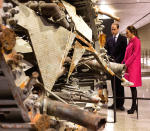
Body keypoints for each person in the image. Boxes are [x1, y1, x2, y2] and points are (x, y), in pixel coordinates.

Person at [105, 23, 127, 111]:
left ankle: (121, 104)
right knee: (114, 85)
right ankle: (115, 103)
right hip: (111, 65)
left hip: (119, 65)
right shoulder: (109, 39)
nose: (112, 31)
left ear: (118, 29)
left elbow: (124, 52)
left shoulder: (123, 39)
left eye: (114, 29)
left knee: (120, 86)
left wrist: (117, 61)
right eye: (111, 29)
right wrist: (110, 61)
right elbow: (107, 51)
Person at [122, 26, 142, 114]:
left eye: (127, 32)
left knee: (133, 86)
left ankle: (134, 106)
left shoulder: (136, 41)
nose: (126, 34)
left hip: (133, 66)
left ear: (132, 32)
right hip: (129, 66)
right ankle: (134, 105)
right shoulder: (130, 41)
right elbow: (127, 53)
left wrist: (126, 64)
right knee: (131, 86)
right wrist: (123, 62)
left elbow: (134, 54)